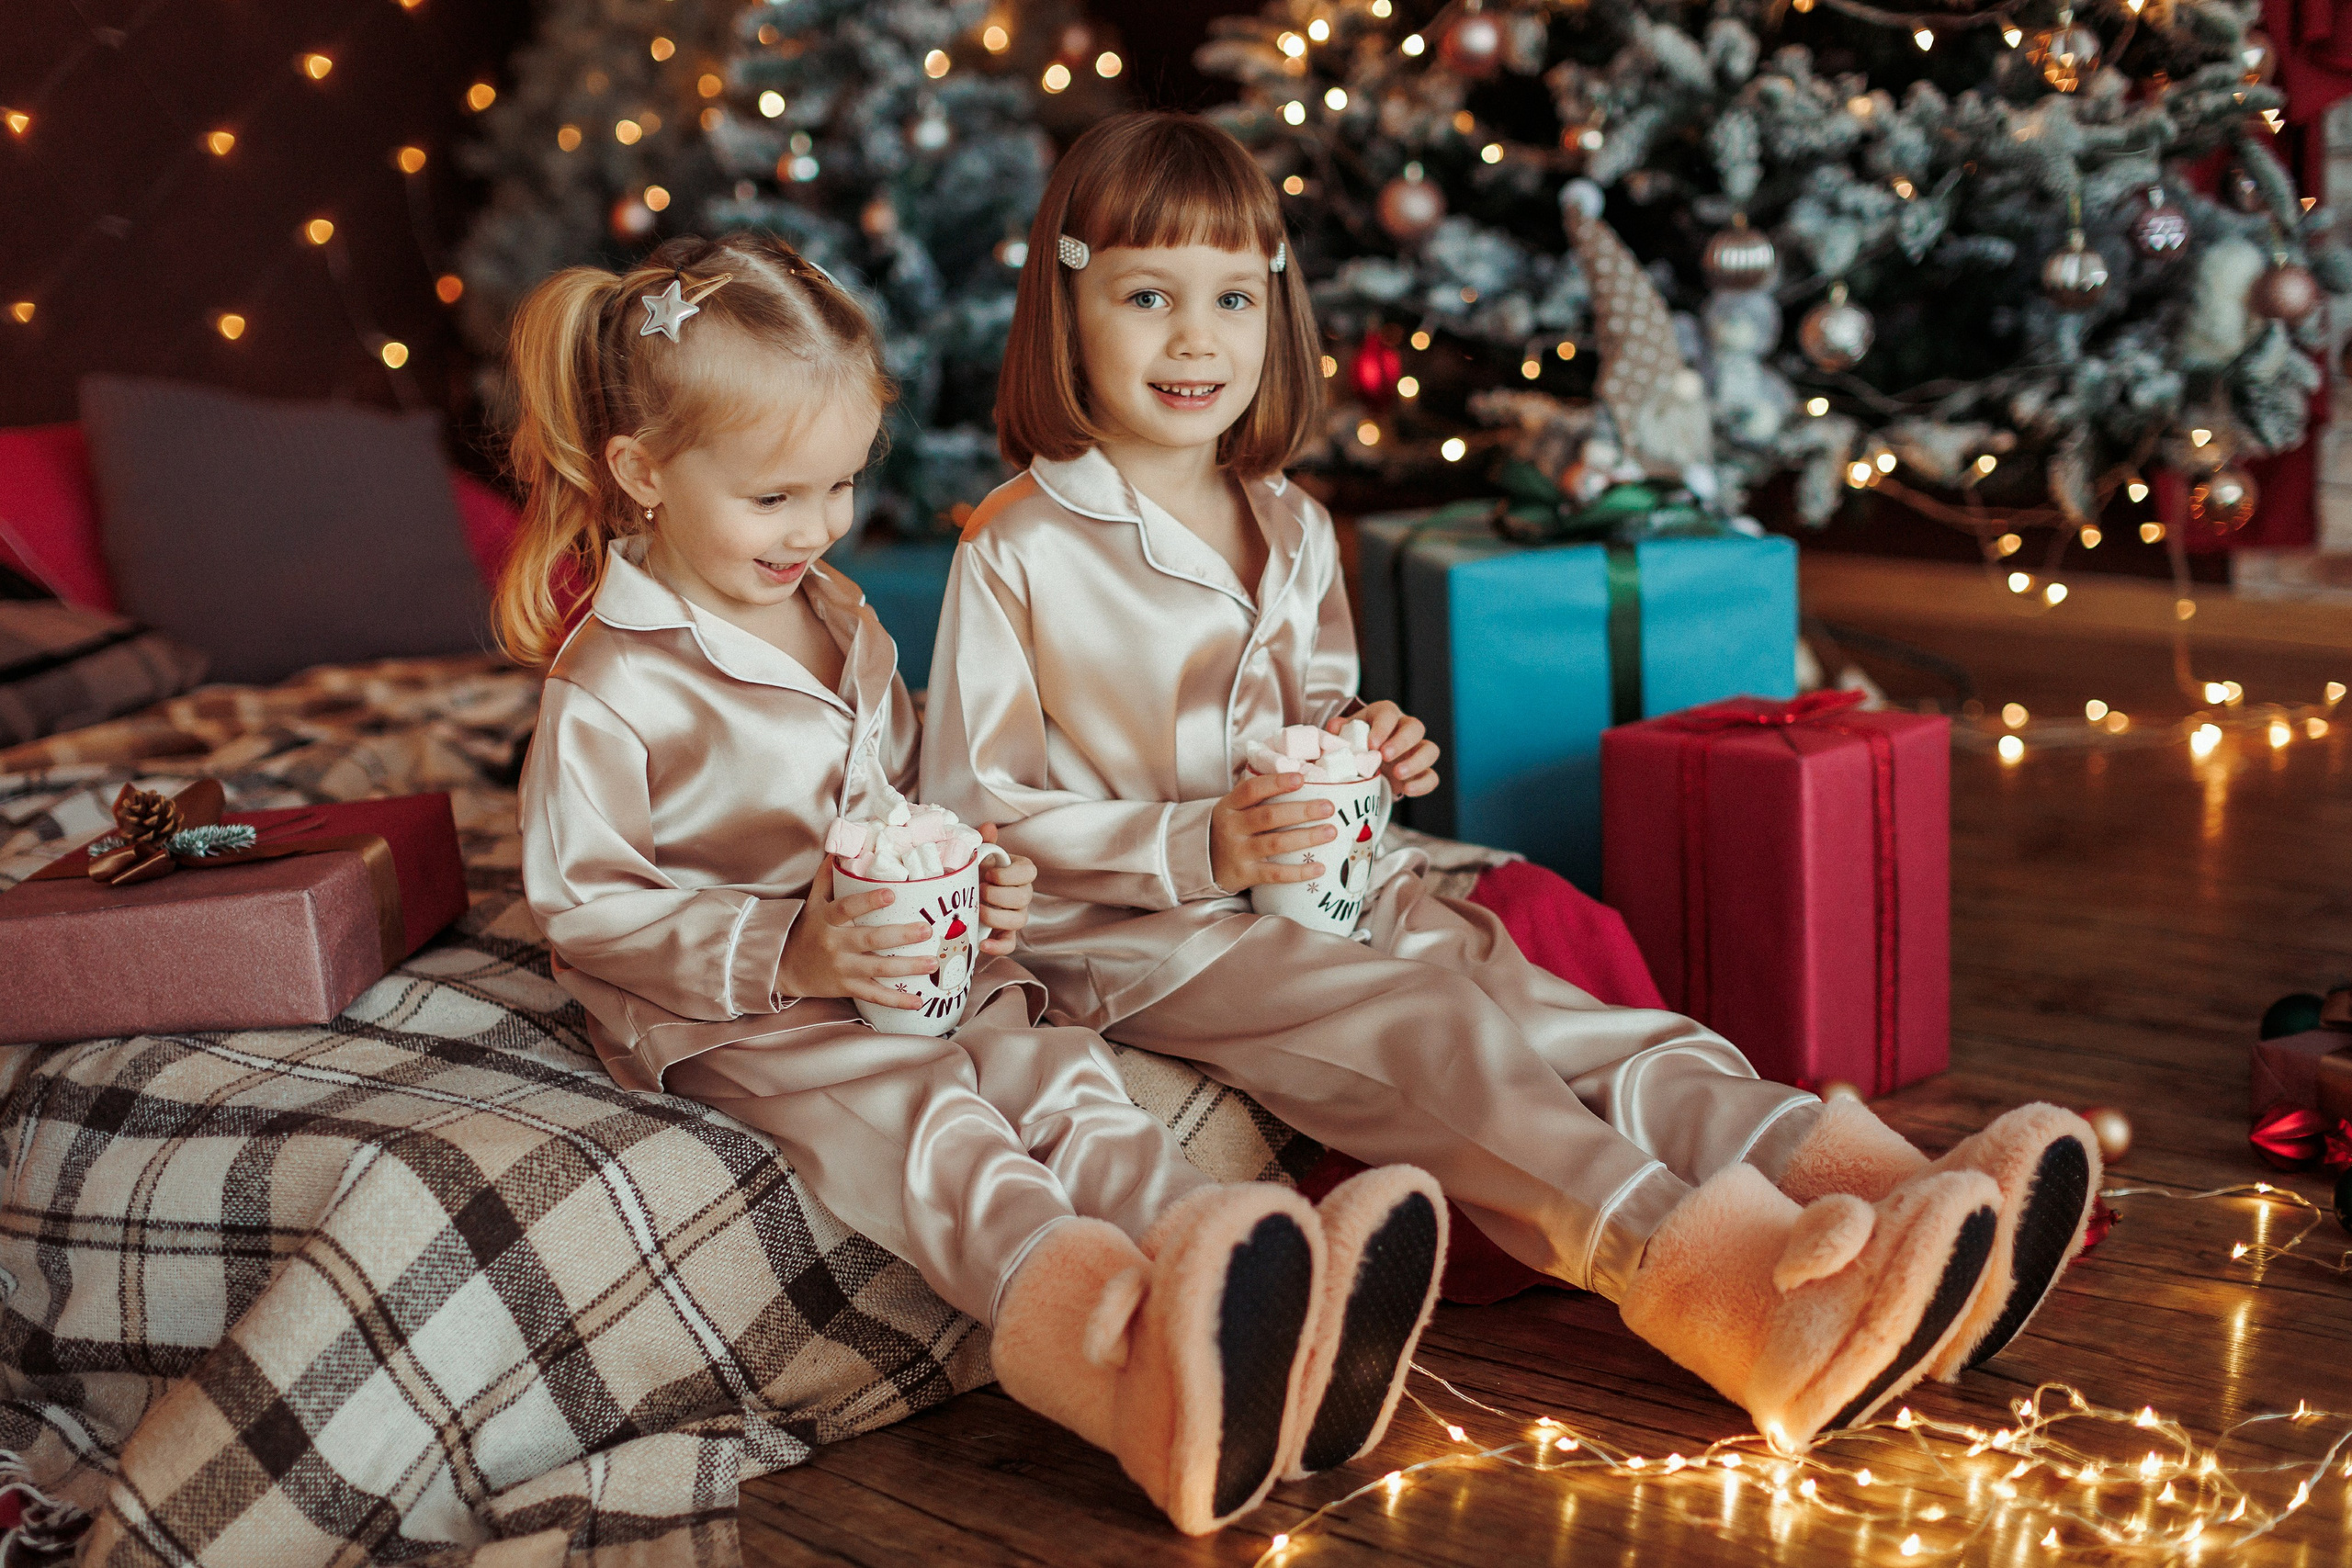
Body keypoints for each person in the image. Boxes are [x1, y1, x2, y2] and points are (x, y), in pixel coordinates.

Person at [921, 112, 2101, 1454]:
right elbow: (981, 813)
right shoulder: (1019, 546)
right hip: (1147, 934)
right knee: (1430, 1030)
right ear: (1065, 311)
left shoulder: (1292, 520)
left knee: (1563, 1010)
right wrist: (1206, 847)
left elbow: (1305, 714)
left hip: (1330, 884)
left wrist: (1367, 746)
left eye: (1233, 299)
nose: (1197, 341)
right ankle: (1715, 1285)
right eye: (1148, 298)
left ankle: (1877, 1189)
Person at [501, 231, 1444, 1534]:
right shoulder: (613, 678)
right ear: (642, 473)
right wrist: (796, 951)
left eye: (841, 486)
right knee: (945, 1137)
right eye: (775, 498)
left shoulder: (839, 615)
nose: (818, 527)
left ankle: (1267, 1285)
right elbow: (585, 907)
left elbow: (904, 794)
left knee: (1066, 1080)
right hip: (752, 1015)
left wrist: (978, 872)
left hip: (919, 959)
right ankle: (1131, 1382)